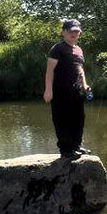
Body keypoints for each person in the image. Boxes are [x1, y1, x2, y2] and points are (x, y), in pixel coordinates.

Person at [43, 18, 91, 158]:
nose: (74, 35)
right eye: (71, 32)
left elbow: (80, 69)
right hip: (60, 90)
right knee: (63, 119)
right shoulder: (57, 49)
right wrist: (48, 90)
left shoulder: (79, 50)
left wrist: (84, 85)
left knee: (79, 118)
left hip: (76, 90)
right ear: (63, 32)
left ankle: (76, 145)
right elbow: (49, 70)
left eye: (76, 32)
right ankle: (66, 150)